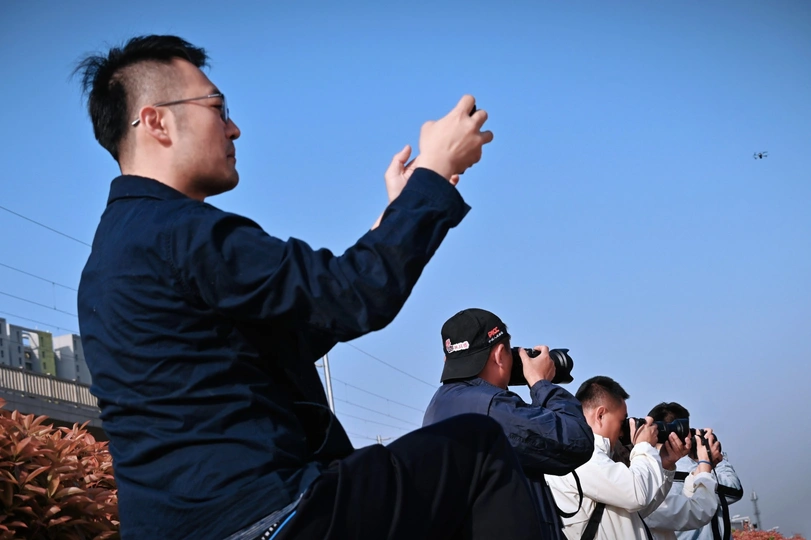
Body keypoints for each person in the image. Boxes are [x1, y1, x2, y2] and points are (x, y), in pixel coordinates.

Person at [74, 34, 549, 540]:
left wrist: (398, 213)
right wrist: (436, 170)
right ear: (156, 121)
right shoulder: (185, 234)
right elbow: (355, 296)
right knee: (478, 446)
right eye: (217, 107)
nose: (234, 127)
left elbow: (305, 323)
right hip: (270, 515)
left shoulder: (110, 259)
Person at [422, 308, 595, 540]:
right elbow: (576, 440)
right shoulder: (491, 408)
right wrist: (540, 383)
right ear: (499, 355)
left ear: (448, 359)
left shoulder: (438, 406)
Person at [546, 376, 686, 540]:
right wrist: (644, 445)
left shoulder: (599, 458)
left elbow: (640, 508)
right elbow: (637, 495)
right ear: (600, 415)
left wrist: (665, 465)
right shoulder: (580, 457)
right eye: (621, 422)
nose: (621, 433)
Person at [645, 403, 744, 540]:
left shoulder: (646, 471)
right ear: (683, 431)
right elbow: (734, 490)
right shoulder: (691, 466)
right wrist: (712, 459)